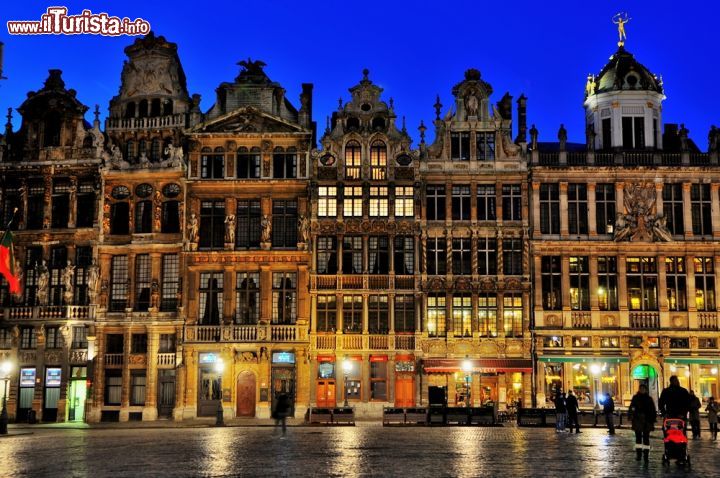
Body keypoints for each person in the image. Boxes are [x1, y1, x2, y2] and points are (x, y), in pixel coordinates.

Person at [629, 384, 657, 464]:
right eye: (641, 389)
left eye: (643, 389)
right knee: (638, 439)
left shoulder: (649, 399)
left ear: (646, 390)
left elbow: (652, 410)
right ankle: (638, 455)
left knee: (646, 439)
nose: (642, 390)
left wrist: (652, 419)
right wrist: (632, 414)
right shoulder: (635, 398)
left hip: (647, 421)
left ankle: (646, 455)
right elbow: (632, 407)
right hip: (638, 420)